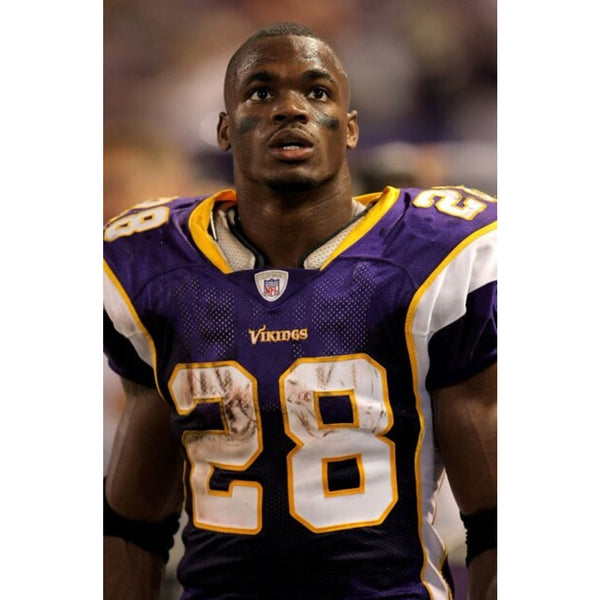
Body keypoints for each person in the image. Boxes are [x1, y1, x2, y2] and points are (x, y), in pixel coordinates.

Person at [103, 22, 497, 600]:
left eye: (316, 91)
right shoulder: (157, 268)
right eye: (260, 92)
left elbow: (494, 518)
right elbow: (134, 524)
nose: (290, 109)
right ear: (224, 129)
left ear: (350, 128)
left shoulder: (433, 259)